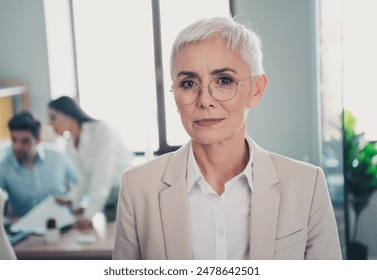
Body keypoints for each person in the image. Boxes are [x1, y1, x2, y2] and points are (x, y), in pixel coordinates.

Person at [113, 17, 342, 260]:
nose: (205, 100)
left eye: (224, 81)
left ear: (256, 89)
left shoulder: (307, 185)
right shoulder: (137, 187)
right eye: (188, 83)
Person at [48, 96, 132, 230]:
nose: (50, 124)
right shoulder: (70, 145)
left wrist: (89, 214)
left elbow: (102, 176)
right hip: (106, 196)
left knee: (119, 237)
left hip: (124, 194)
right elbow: (83, 178)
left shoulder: (102, 130)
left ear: (67, 114)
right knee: (106, 235)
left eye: (53, 118)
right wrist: (72, 200)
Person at [0, 112, 78, 216]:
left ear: (39, 140)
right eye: (14, 140)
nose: (18, 146)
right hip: (24, 228)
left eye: (25, 141)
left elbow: (80, 184)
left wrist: (72, 200)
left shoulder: (57, 157)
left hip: (61, 222)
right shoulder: (2, 168)